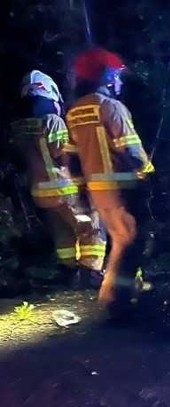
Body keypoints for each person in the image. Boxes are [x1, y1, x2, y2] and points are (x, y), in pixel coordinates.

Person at [66, 47, 154, 314]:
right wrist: (148, 175)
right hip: (121, 185)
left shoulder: (74, 112)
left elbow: (71, 158)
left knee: (119, 240)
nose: (118, 80)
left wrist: (81, 188)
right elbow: (129, 150)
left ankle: (111, 294)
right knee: (130, 242)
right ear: (104, 75)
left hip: (97, 188)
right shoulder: (111, 107)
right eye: (116, 74)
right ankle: (118, 302)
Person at [11, 70, 106, 286]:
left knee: (61, 228)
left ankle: (69, 271)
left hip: (38, 190)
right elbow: (60, 153)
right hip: (62, 186)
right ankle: (91, 272)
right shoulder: (53, 121)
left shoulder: (18, 129)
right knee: (89, 225)